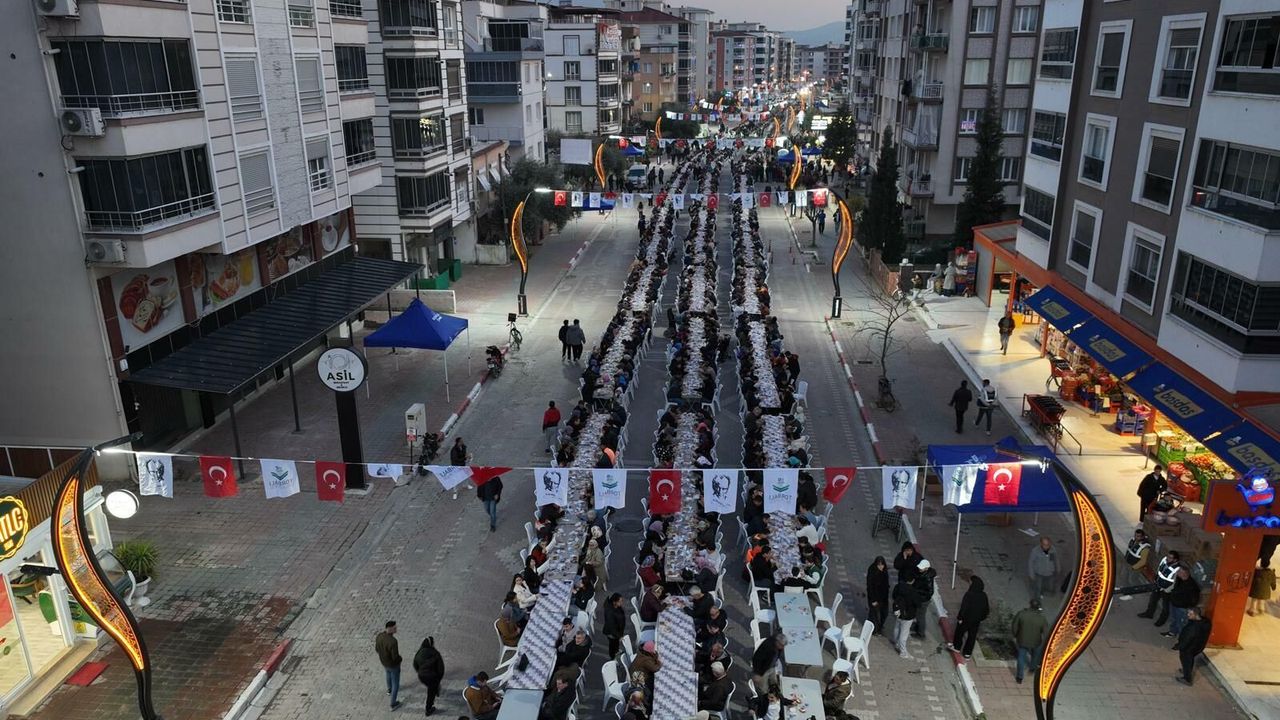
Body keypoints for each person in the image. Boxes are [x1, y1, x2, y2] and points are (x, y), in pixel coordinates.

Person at [948, 576, 989, 659]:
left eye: (971, 582)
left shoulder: (969, 594)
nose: (969, 583)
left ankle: (957, 647)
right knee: (972, 636)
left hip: (966, 619)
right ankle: (967, 653)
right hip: (976, 621)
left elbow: (964, 608)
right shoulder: (984, 595)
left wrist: (960, 618)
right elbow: (986, 609)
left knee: (959, 632)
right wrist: (981, 618)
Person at [1140, 549, 1182, 627]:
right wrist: (1156, 580)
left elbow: (1174, 582)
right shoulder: (1164, 560)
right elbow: (1159, 570)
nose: (1167, 558)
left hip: (1167, 590)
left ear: (1175, 560)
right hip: (1158, 585)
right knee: (1153, 600)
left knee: (1165, 606)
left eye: (1170, 558)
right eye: (1168, 556)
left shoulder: (1177, 569)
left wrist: (1166, 590)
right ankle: (1149, 613)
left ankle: (1161, 621)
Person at [1012, 599, 1048, 684]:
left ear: (1030, 605)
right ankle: (1032, 668)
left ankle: (1019, 677)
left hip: (1022, 640)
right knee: (1035, 655)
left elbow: (1014, 626)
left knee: (1021, 657)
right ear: (1038, 607)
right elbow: (1045, 631)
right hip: (1036, 641)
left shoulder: (1021, 614)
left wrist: (1015, 635)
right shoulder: (1042, 618)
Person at [1175, 607, 1212, 686]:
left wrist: (1179, 646)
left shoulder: (1194, 627)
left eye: (1190, 614)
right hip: (1197, 646)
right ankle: (1186, 671)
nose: (1188, 615)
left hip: (1189, 647)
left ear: (1196, 615)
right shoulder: (1205, 623)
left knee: (1186, 660)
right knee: (1189, 660)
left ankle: (1187, 678)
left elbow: (1187, 639)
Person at [1165, 566, 1201, 638]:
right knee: (1174, 620)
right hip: (1174, 604)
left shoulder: (1192, 585)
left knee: (1181, 624)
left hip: (1182, 608)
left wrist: (1185, 606)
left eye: (1179, 572)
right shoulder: (1180, 579)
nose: (1177, 573)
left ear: (1184, 573)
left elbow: (1194, 600)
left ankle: (1182, 639)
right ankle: (1172, 632)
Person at [375, 620, 404, 710]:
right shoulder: (393, 641)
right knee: (396, 683)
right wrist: (400, 659)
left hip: (384, 662)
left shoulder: (379, 636)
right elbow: (395, 657)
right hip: (393, 665)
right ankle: (393, 703)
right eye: (394, 628)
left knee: (388, 674)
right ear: (390, 628)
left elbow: (377, 649)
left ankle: (389, 689)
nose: (396, 629)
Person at [413, 636, 444, 715]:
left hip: (422, 676)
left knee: (431, 687)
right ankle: (428, 709)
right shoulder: (435, 653)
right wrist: (438, 678)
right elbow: (441, 668)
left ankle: (435, 690)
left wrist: (419, 671)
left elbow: (415, 664)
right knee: (431, 692)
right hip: (432, 676)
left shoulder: (419, 652)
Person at [891, 576, 920, 659]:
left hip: (898, 612)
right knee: (904, 634)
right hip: (908, 615)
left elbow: (893, 596)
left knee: (897, 627)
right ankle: (903, 652)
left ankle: (896, 643)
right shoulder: (913, 591)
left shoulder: (898, 586)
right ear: (913, 580)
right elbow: (918, 603)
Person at [1028, 536, 1060, 602]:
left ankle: (1044, 592)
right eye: (1044, 545)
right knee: (1038, 587)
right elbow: (1031, 562)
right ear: (1041, 544)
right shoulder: (1035, 551)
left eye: (1048, 544)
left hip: (1049, 573)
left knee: (1049, 585)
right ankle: (1036, 600)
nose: (1046, 547)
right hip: (1039, 573)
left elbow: (1055, 559)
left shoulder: (1052, 550)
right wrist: (1031, 574)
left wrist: (1058, 568)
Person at [866, 556, 890, 634]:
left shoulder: (884, 571)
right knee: (874, 614)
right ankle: (874, 630)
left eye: (882, 565)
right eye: (879, 565)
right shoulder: (872, 571)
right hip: (874, 597)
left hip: (883, 597)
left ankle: (879, 626)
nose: (881, 567)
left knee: (884, 613)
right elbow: (870, 587)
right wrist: (873, 600)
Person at [603, 593, 626, 658]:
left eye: (622, 601)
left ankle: (616, 650)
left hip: (617, 631)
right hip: (612, 633)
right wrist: (619, 636)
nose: (621, 603)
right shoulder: (610, 612)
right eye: (620, 601)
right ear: (614, 602)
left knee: (616, 643)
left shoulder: (616, 607)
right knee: (612, 645)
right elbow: (611, 628)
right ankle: (613, 657)